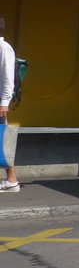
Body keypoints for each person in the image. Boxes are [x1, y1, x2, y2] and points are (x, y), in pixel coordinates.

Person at [0, 17, 19, 193]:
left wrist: (4, 103)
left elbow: (8, 78)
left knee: (3, 142)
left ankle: (12, 180)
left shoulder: (4, 48)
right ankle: (11, 180)